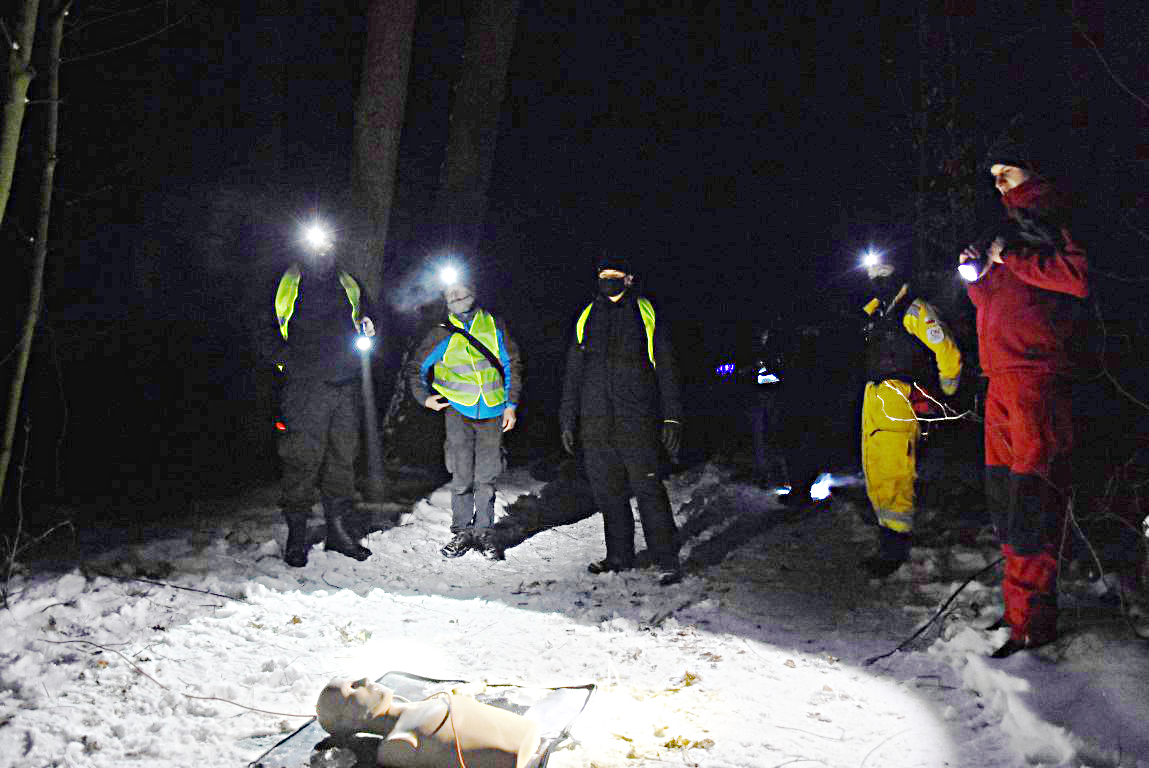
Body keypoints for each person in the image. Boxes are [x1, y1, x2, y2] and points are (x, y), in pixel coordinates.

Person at [959, 114, 1088, 657]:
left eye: (1005, 174)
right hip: (999, 385)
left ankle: (1035, 624)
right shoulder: (1006, 232)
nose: (997, 184)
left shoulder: (1052, 218)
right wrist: (978, 276)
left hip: (1038, 382)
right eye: (992, 176)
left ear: (1030, 173)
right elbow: (994, 304)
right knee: (1008, 507)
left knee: (1033, 507)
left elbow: (1075, 279)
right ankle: (1016, 616)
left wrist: (1008, 257)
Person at [559, 254, 684, 585]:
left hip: (636, 419)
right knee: (608, 491)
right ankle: (618, 555)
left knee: (648, 488)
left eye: (615, 274)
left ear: (629, 278)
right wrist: (567, 416)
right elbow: (573, 371)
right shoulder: (587, 316)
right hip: (595, 420)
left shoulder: (645, 312)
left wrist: (672, 417)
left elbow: (667, 368)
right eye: (603, 274)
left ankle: (666, 557)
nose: (608, 279)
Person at [273, 223, 375, 567]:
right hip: (305, 388)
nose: (323, 248)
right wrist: (287, 361)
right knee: (301, 461)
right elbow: (260, 326)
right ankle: (297, 536)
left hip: (345, 385)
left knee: (342, 461)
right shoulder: (286, 279)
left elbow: (368, 316)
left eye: (329, 241)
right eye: (316, 241)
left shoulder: (349, 282)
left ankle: (338, 533)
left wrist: (370, 324)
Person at [858, 256, 963, 578]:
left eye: (883, 275)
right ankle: (885, 537)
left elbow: (947, 349)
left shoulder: (914, 310)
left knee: (894, 470)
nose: (877, 281)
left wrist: (948, 384)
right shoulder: (875, 312)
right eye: (873, 276)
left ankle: (895, 547)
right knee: (873, 466)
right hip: (874, 394)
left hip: (900, 394)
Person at [407, 272, 522, 559]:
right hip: (458, 411)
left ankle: (484, 533)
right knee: (461, 477)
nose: (456, 298)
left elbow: (512, 364)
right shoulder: (441, 332)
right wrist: (425, 399)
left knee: (487, 476)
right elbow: (416, 367)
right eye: (450, 294)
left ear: (473, 292)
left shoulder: (493, 324)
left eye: (461, 292)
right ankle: (461, 533)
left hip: (493, 410)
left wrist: (511, 405)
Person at [316, 677, 541, 768]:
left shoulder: (416, 706)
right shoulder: (398, 745)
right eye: (353, 688)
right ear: (351, 719)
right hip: (515, 755)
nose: (364, 680)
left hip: (525, 733)